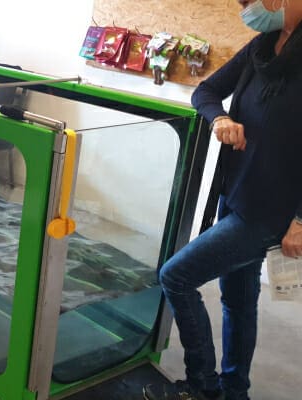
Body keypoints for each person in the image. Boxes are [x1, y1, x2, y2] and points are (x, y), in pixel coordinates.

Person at [143, 1, 302, 399]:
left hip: (270, 211)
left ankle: (202, 386)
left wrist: (301, 220)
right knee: (239, 301)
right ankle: (234, 391)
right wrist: (220, 118)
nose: (249, 9)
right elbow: (206, 91)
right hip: (235, 194)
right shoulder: (260, 48)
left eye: (254, 2)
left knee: (175, 276)